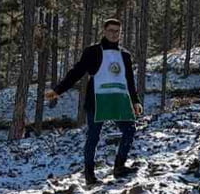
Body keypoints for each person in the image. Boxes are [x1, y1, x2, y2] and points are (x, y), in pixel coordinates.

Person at [45, 18, 143, 184]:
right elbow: (77, 72)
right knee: (93, 137)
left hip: (118, 100)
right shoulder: (93, 51)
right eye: (111, 30)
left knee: (129, 130)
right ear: (104, 31)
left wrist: (135, 101)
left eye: (117, 31)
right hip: (97, 100)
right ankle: (89, 175)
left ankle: (119, 166)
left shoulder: (125, 55)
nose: (114, 34)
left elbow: (129, 80)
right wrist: (58, 90)